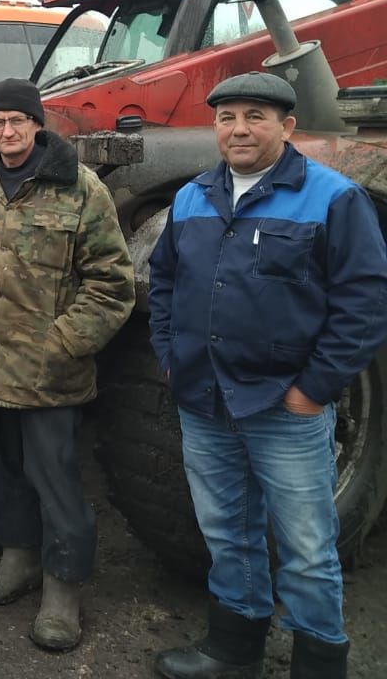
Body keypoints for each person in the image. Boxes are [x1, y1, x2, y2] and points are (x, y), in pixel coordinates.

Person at [148, 72, 387, 679]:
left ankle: (318, 660)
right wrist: (172, 359)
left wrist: (317, 387)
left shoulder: (333, 198)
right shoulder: (191, 198)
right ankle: (234, 648)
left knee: (307, 549)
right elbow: (165, 284)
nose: (239, 129)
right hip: (204, 403)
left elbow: (364, 302)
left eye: (256, 115)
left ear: (287, 126)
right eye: (227, 117)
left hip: (287, 408)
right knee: (227, 532)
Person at [0, 77, 134, 652]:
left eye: (19, 121)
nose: (8, 131)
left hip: (49, 373)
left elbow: (112, 284)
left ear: (38, 124)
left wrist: (63, 342)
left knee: (56, 480)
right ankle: (19, 559)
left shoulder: (80, 188)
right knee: (6, 472)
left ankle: (62, 590)